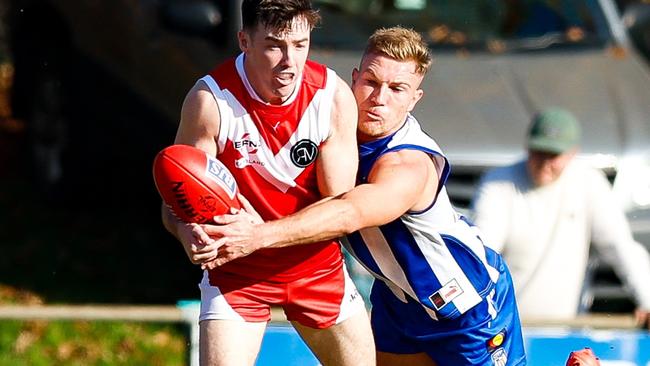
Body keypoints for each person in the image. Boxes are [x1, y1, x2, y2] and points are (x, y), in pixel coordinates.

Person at [199, 26, 527, 366]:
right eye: (371, 82)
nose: (379, 98)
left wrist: (257, 235)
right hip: (398, 300)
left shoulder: (407, 163)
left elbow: (348, 212)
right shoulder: (332, 130)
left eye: (397, 89)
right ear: (354, 79)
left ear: (415, 98)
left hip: (466, 309)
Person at [160, 1, 374, 365]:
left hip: (316, 268)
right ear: (244, 41)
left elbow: (341, 210)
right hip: (237, 274)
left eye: (300, 44)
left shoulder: (331, 97)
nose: (290, 61)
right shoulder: (211, 101)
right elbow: (174, 204)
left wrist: (259, 236)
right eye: (275, 45)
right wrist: (186, 233)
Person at [471, 107, 650, 327]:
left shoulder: (589, 183)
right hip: (505, 328)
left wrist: (647, 300)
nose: (545, 163)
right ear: (527, 146)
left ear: (572, 153)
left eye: (553, 155)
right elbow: (481, 252)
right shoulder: (498, 184)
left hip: (568, 329)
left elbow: (621, 248)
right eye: (539, 152)